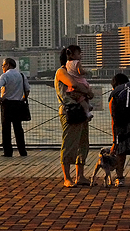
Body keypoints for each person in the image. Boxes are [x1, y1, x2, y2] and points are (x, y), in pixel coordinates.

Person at [55, 45, 94, 187]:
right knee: (69, 144)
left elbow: (84, 89)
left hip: (81, 111)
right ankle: (67, 177)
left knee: (83, 143)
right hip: (69, 111)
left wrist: (86, 92)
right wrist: (87, 91)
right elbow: (73, 85)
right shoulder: (61, 72)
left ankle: (80, 175)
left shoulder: (76, 74)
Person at [0, 57, 30, 157]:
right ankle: (22, 151)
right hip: (18, 104)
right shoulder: (21, 75)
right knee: (18, 128)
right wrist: (23, 98)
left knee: (6, 128)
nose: (2, 67)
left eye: (3, 65)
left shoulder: (5, 75)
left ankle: (8, 152)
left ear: (8, 65)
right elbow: (27, 90)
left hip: (7, 104)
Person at [65, 47, 93, 121]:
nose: (80, 55)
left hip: (72, 81)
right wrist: (85, 72)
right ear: (73, 56)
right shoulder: (77, 62)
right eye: (78, 54)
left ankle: (88, 110)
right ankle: (88, 110)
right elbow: (80, 71)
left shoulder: (67, 64)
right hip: (80, 81)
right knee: (88, 91)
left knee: (81, 99)